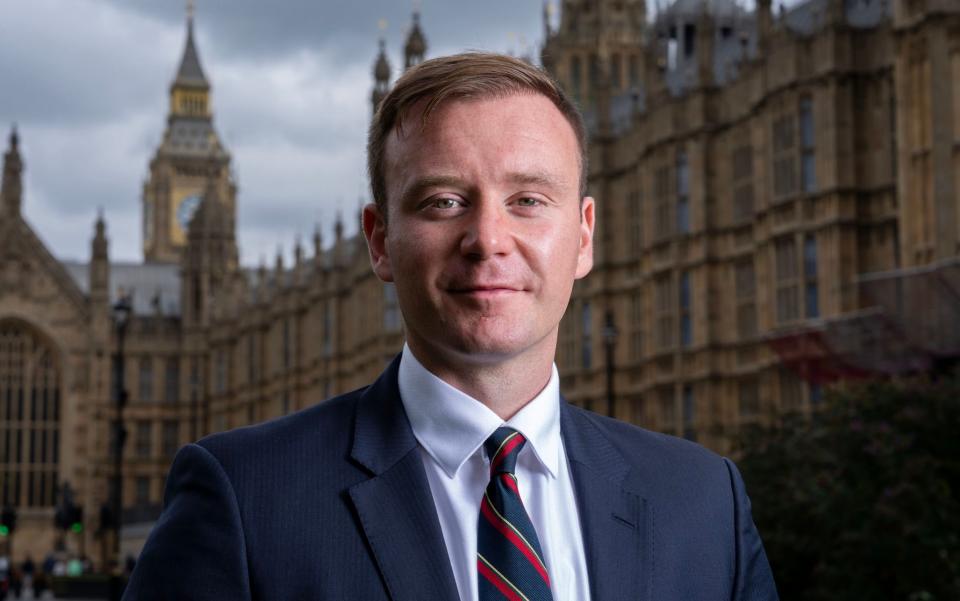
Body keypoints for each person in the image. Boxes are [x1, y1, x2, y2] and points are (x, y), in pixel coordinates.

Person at [123, 52, 778, 600]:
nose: (488, 238)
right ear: (379, 241)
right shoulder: (245, 500)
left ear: (583, 237)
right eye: (444, 201)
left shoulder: (703, 503)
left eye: (528, 200)